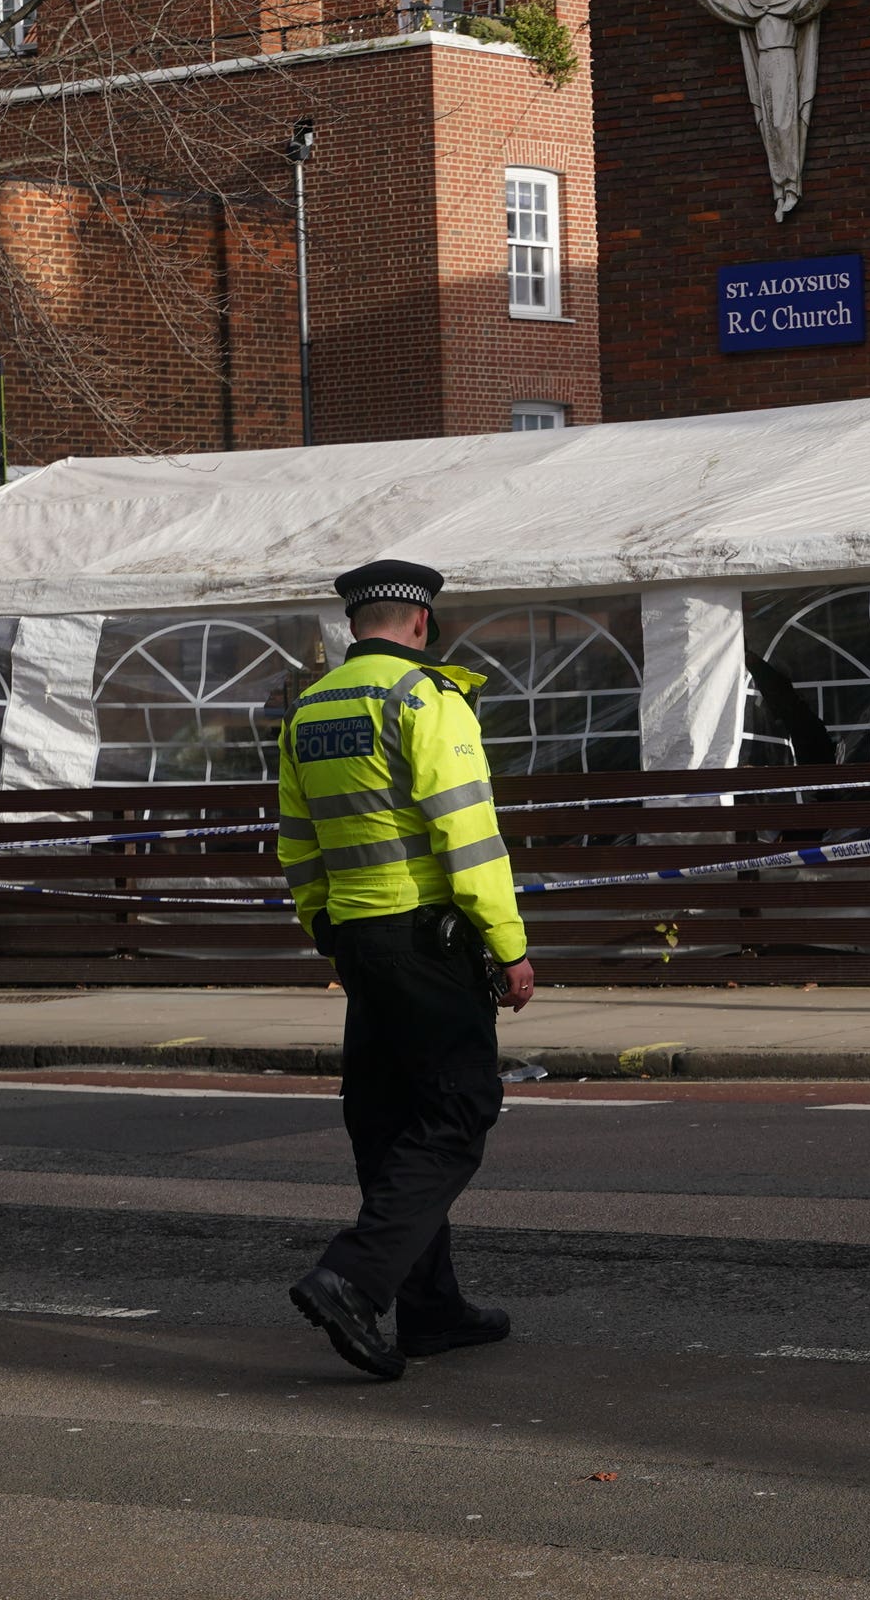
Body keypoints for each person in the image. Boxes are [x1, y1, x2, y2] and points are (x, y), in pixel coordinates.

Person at [279, 558, 536, 1380]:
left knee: (390, 1120)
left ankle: (431, 1310)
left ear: (356, 624)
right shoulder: (423, 698)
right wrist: (508, 943)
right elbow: (467, 831)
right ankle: (353, 1280)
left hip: (357, 937)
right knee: (459, 1109)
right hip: (427, 937)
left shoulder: (310, 706)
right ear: (420, 623)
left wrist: (329, 929)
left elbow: (296, 842)